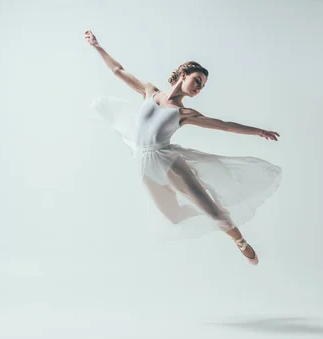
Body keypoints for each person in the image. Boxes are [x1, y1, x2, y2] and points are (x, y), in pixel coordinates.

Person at [85, 30, 281, 265]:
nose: (199, 87)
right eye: (197, 80)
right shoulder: (150, 91)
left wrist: (259, 131)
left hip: (166, 162)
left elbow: (224, 126)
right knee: (174, 217)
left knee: (210, 209)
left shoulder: (184, 113)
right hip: (144, 164)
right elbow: (118, 70)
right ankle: (220, 212)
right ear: (184, 73)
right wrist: (97, 46)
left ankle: (239, 239)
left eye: (203, 86)